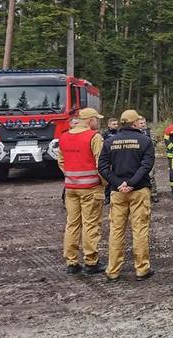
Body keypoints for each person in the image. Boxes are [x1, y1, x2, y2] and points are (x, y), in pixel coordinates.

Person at [98, 110, 155, 282]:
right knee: (140, 230)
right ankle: (142, 269)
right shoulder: (145, 141)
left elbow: (102, 166)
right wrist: (131, 183)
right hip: (138, 190)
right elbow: (147, 165)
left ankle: (113, 270)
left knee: (116, 231)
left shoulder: (109, 142)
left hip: (118, 192)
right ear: (135, 123)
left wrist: (117, 183)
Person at [58, 108, 106, 275]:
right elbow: (101, 163)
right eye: (96, 119)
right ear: (90, 120)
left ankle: (71, 262)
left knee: (72, 224)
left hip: (71, 188)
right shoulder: (94, 136)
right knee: (90, 224)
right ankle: (91, 261)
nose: (97, 122)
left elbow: (61, 161)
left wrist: (72, 176)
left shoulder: (64, 136)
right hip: (90, 188)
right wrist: (104, 182)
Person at [137, 116, 159, 202]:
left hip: (149, 156)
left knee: (151, 176)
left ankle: (153, 194)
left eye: (144, 123)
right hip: (138, 157)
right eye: (141, 123)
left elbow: (154, 142)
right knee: (139, 175)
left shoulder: (149, 132)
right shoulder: (135, 132)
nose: (143, 125)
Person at [101, 118, 119, 204]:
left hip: (117, 157)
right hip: (108, 157)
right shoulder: (104, 134)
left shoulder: (119, 133)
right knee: (108, 178)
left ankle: (116, 195)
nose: (116, 126)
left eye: (117, 124)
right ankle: (107, 197)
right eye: (114, 124)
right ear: (109, 125)